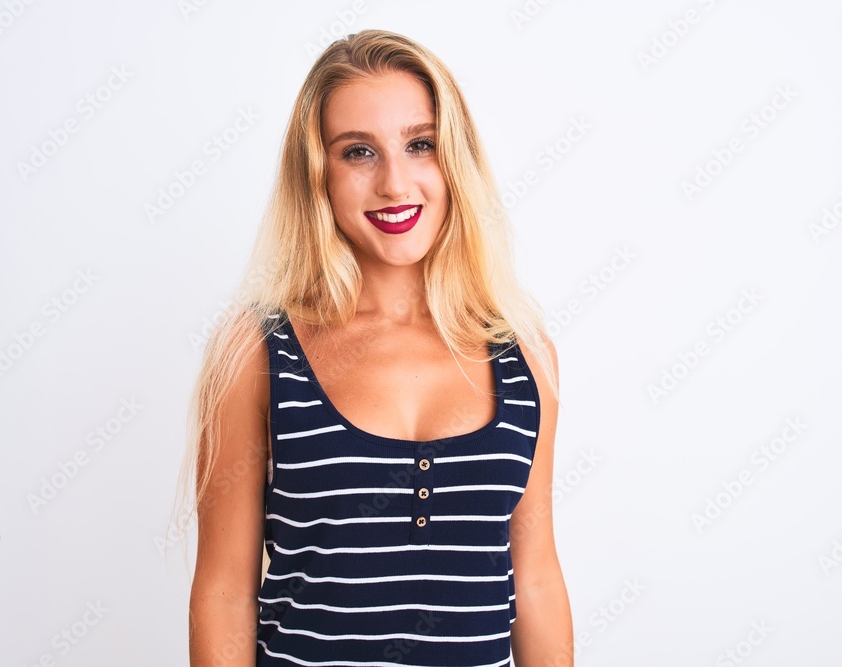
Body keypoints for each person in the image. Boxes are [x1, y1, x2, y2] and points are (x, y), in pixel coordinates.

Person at [174, 28, 572, 666]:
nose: (394, 182)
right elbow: (224, 592)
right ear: (318, 176)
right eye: (358, 152)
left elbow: (538, 580)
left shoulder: (526, 356)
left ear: (454, 159)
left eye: (420, 145)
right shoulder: (255, 351)